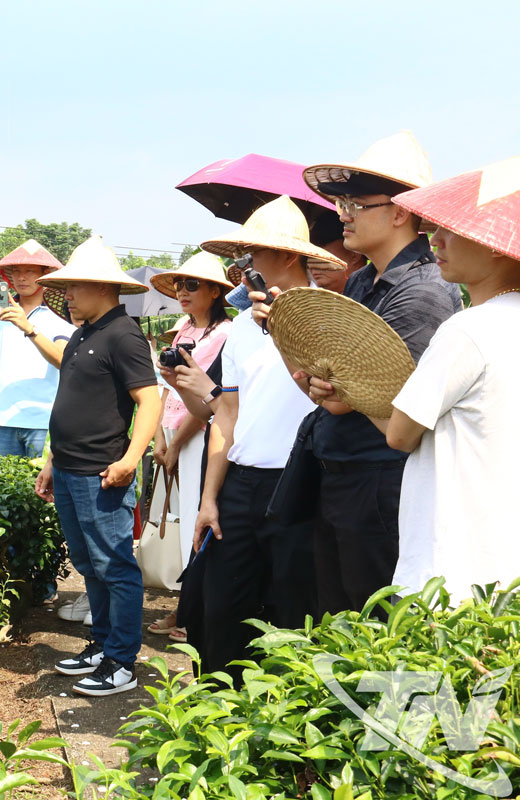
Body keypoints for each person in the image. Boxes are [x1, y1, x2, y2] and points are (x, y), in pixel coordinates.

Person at [328, 158, 520, 602]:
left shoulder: (468, 329)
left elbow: (400, 433)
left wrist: (350, 385)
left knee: (416, 674)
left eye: (453, 230)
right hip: (501, 561)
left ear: (494, 244)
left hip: (448, 567)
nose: (436, 240)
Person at [291, 131, 463, 615]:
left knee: (380, 625)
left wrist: (333, 386)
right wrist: (326, 382)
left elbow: (382, 399)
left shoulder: (422, 293)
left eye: (354, 203)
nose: (341, 213)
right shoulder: (364, 280)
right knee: (340, 618)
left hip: (381, 482)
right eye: (341, 201)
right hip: (343, 473)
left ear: (401, 211)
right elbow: (329, 380)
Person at [191, 196, 346, 677]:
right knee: (222, 613)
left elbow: (334, 398)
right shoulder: (240, 328)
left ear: (286, 256)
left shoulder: (333, 315)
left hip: (303, 484)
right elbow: (227, 415)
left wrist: (282, 329)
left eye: (253, 256)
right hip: (241, 482)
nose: (244, 268)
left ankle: (280, 738)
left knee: (291, 614)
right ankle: (216, 727)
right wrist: (210, 497)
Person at [32, 236, 161, 696]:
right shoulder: (84, 332)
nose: (66, 295)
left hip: (102, 472)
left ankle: (122, 661)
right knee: (88, 564)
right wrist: (51, 461)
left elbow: (149, 400)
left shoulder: (124, 335)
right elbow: (70, 402)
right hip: (68, 469)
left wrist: (129, 459)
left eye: (74, 287)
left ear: (104, 288)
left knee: (114, 565)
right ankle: (102, 644)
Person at [145, 252, 234, 641]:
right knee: (181, 524)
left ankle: (192, 611)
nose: (182, 291)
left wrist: (177, 442)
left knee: (197, 521)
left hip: (200, 436)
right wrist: (160, 437)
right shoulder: (182, 329)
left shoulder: (224, 334)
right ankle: (186, 606)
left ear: (215, 291)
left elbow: (211, 402)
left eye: (192, 284)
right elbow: (167, 388)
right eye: (180, 284)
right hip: (173, 437)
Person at [0, 239, 76, 458]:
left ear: (45, 275)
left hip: (42, 420)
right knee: (4, 489)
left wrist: (29, 328)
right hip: (2, 419)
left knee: (40, 489)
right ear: (8, 277)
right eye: (16, 272)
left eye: (30, 271)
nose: (22, 277)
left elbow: (62, 360)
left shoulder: (58, 321)